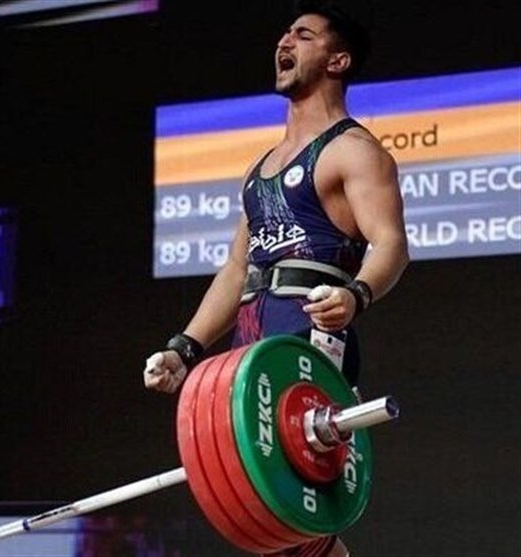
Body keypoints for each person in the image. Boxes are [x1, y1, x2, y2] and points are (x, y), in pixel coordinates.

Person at [143, 1, 409, 556]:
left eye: (303, 35)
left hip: (309, 338)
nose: (284, 41)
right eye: (285, 33)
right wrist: (184, 348)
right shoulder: (259, 170)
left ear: (337, 61)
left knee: (291, 516)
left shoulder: (353, 151)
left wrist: (355, 295)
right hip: (250, 341)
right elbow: (237, 269)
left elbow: (390, 245)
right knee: (274, 526)